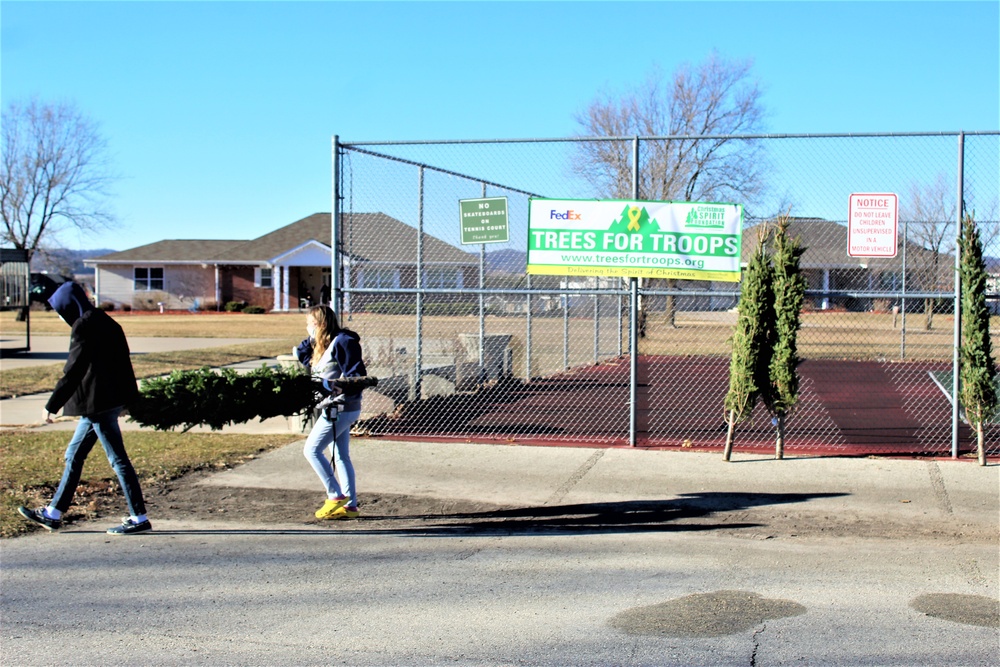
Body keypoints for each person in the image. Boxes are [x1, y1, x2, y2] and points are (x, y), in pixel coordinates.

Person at [17, 282, 152, 535]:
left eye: (58, 309)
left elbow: (74, 370)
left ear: (68, 305)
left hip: (98, 404)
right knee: (74, 455)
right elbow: (124, 363)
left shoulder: (84, 326)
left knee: (117, 460)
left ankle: (139, 517)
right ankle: (53, 513)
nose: (59, 315)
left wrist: (52, 404)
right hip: (106, 402)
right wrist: (126, 399)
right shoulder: (107, 321)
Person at [303, 305, 367, 520]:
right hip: (334, 408)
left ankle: (335, 496)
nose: (307, 328)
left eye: (310, 323)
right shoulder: (323, 344)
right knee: (340, 456)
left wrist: (334, 386)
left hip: (340, 407)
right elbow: (303, 354)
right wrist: (312, 339)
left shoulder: (342, 342)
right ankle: (350, 506)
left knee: (311, 450)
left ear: (320, 324)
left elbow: (356, 375)